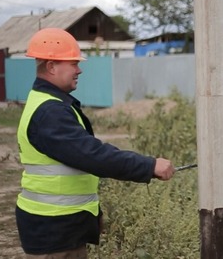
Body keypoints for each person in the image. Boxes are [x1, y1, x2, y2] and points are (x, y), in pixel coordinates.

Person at [15, 27, 175, 258]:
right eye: (73, 63)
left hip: (59, 226)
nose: (79, 70)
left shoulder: (48, 102)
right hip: (53, 231)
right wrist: (149, 166)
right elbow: (94, 156)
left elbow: (75, 164)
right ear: (51, 66)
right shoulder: (50, 112)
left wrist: (92, 214)